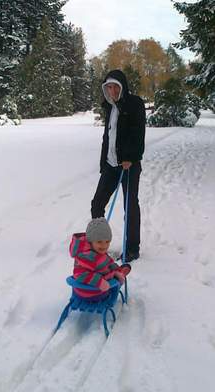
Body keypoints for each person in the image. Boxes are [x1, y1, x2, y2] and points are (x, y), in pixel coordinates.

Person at [91, 69, 145, 263]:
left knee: (130, 206)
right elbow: (108, 137)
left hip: (129, 165)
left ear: (122, 87)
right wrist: (103, 163)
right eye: (109, 87)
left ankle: (132, 249)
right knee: (97, 204)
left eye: (116, 87)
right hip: (111, 165)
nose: (112, 91)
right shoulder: (110, 107)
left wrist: (130, 157)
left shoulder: (135, 104)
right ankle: (98, 244)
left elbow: (138, 133)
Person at [69, 217, 131, 300]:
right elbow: (80, 274)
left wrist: (114, 270)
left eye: (107, 241)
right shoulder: (87, 256)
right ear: (91, 241)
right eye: (99, 242)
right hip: (93, 293)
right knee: (115, 282)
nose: (104, 245)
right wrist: (99, 282)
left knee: (111, 268)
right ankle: (118, 273)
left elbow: (106, 263)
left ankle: (118, 271)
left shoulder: (94, 251)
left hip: (81, 291)